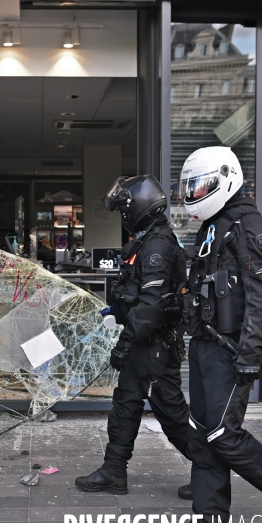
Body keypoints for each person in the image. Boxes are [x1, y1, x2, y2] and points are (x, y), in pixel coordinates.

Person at [178, 146, 262, 523]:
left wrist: (251, 353)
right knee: (202, 437)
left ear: (226, 177)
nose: (195, 194)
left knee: (223, 434)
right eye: (191, 187)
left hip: (231, 349)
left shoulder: (249, 227)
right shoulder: (214, 225)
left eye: (202, 186)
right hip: (204, 344)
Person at [75, 174, 192, 498]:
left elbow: (153, 304)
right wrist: (114, 313)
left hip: (153, 348)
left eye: (125, 209)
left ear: (140, 206)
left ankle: (208, 471)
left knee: (172, 415)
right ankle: (114, 472)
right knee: (125, 407)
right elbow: (136, 295)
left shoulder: (158, 245)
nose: (124, 216)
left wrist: (126, 342)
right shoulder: (148, 239)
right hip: (142, 344)